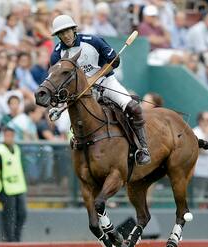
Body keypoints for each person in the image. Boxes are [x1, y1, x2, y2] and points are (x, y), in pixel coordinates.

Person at [50, 14, 151, 165]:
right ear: (58, 36)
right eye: (61, 33)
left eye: (67, 31)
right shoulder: (57, 54)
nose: (65, 36)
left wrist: (94, 77)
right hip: (81, 93)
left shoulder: (93, 41)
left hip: (106, 82)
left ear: (74, 29)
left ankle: (142, 148)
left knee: (133, 107)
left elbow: (114, 61)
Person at [0, 126, 27, 242]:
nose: (9, 138)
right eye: (7, 136)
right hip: (6, 188)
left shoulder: (16, 148)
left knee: (22, 214)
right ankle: (10, 240)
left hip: (19, 187)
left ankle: (17, 238)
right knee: (10, 215)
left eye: (11, 136)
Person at [192, 111, 208, 209]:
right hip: (200, 172)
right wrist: (207, 134)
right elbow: (202, 150)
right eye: (206, 120)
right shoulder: (195, 132)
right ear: (200, 121)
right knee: (199, 198)